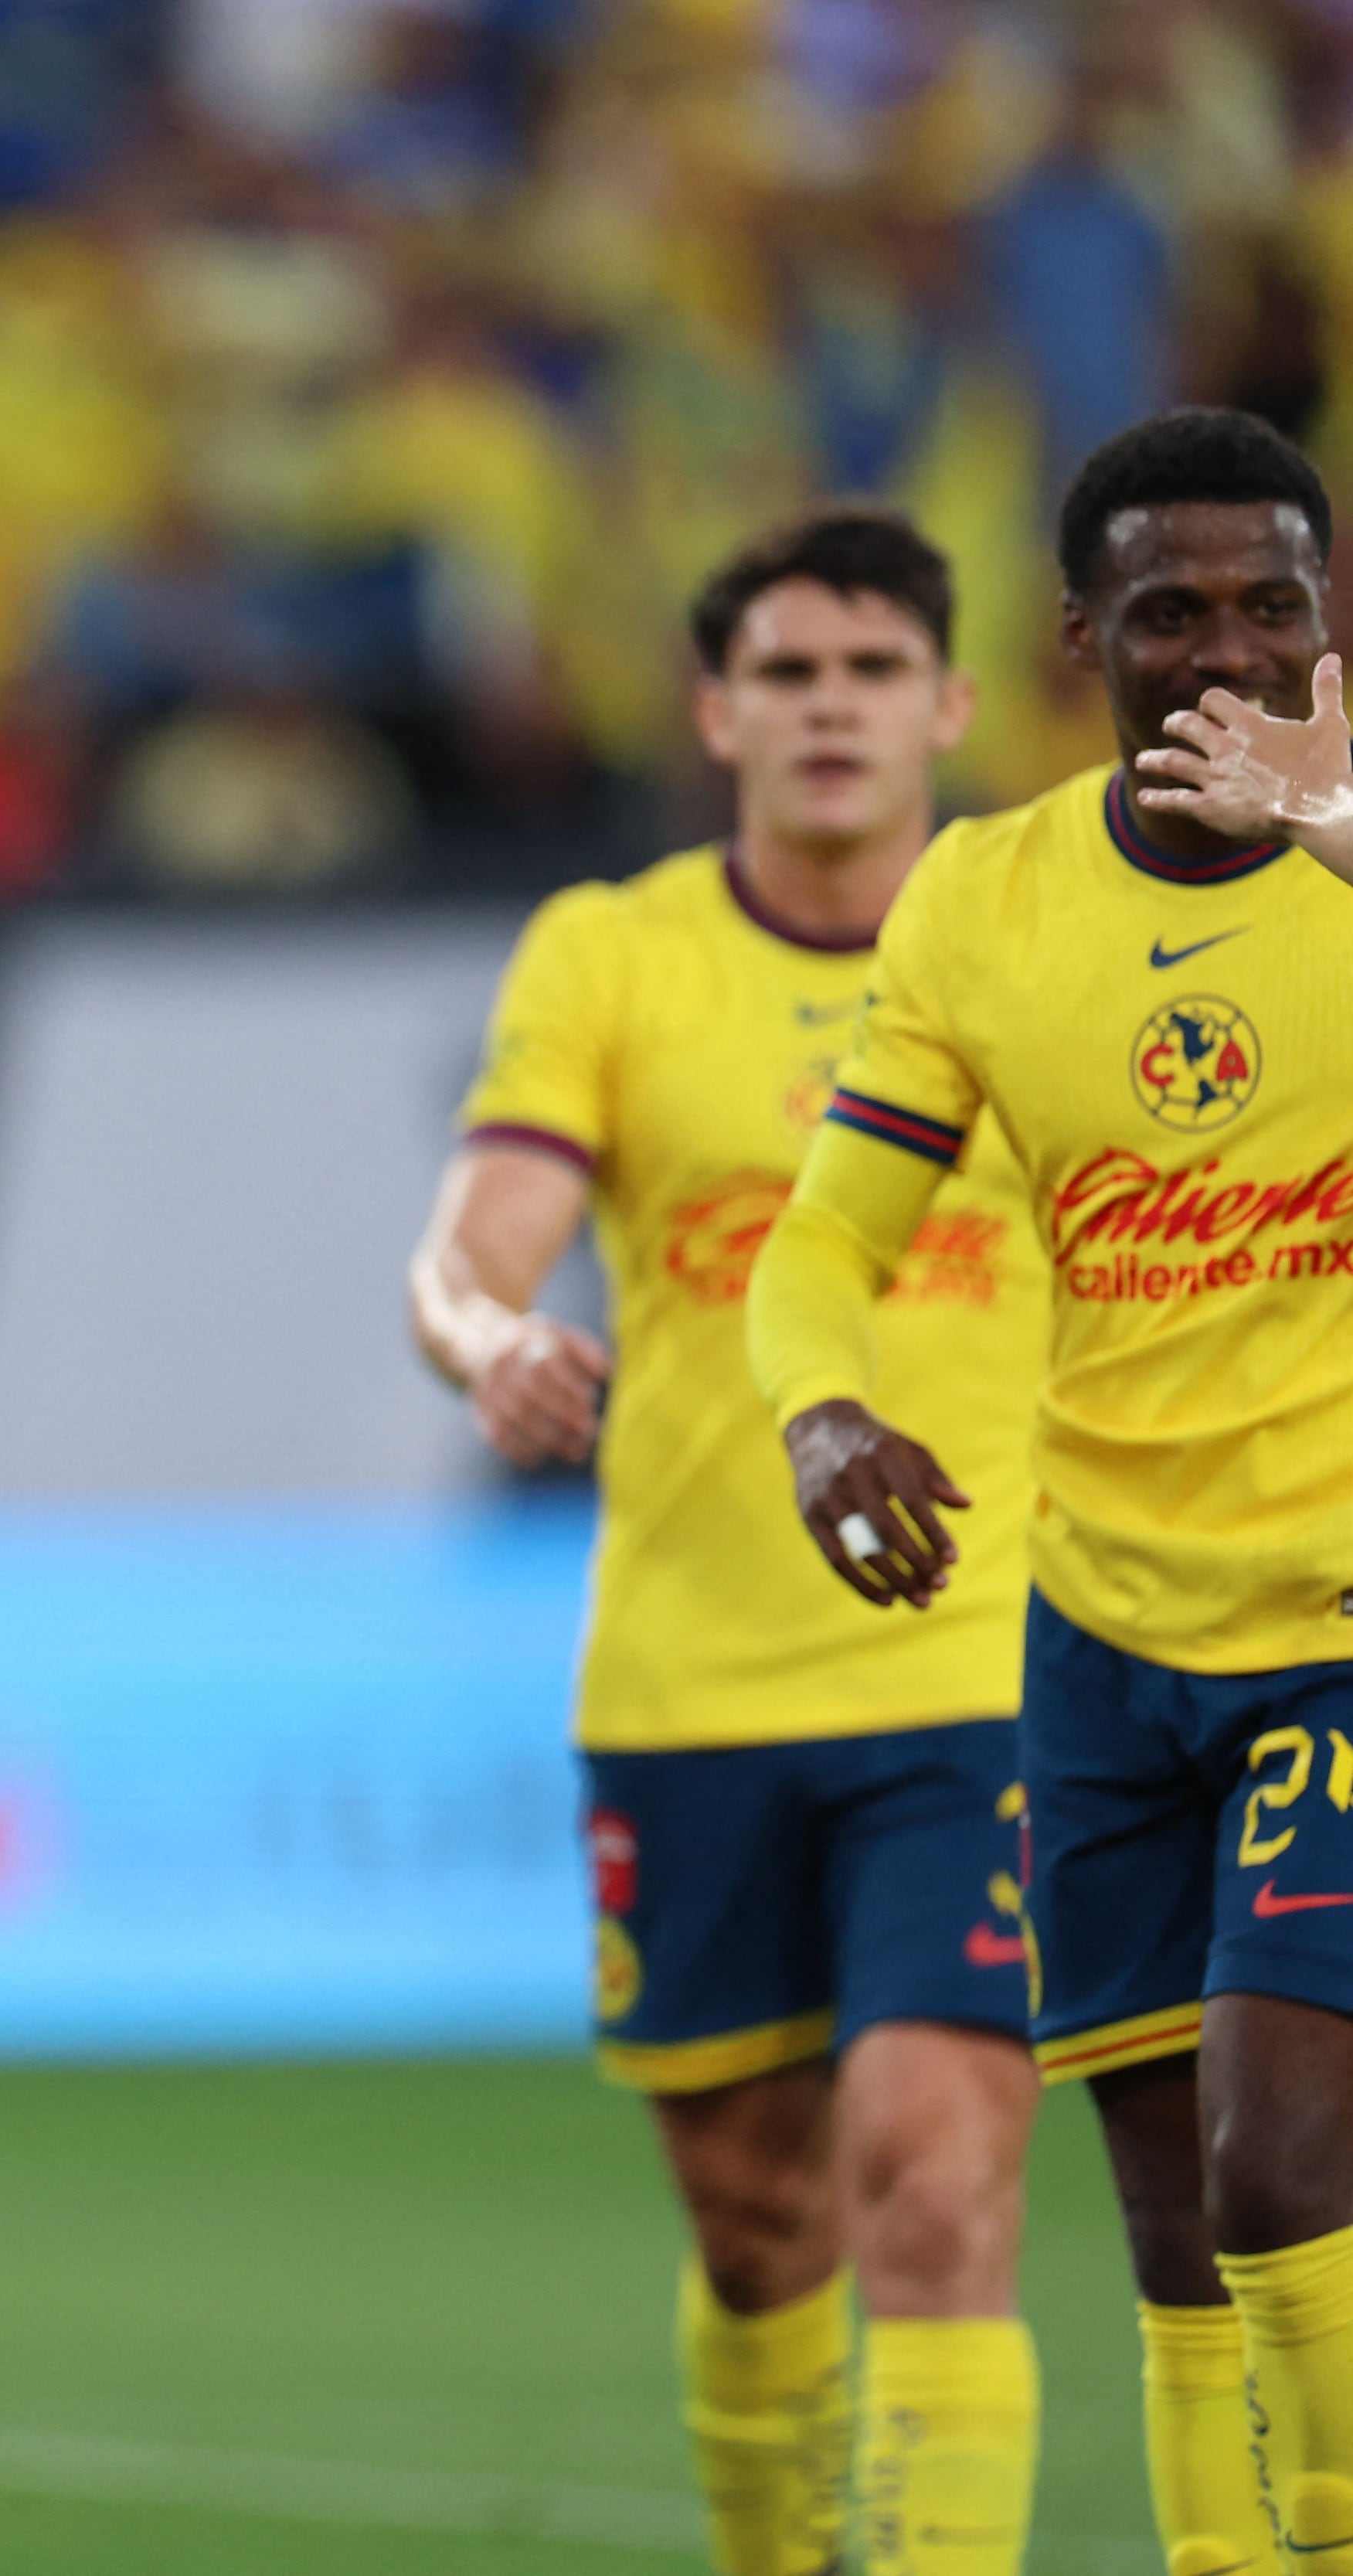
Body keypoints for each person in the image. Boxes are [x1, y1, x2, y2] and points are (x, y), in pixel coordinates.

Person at [411, 507, 1047, 2576]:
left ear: (950, 705)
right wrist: (493, 1337)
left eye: (873, 670)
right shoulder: (613, 951)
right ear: (715, 713)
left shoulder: (1039, 939)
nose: (832, 709)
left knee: (935, 2182)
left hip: (991, 1673)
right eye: (788, 673)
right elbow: (478, 1243)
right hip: (690, 1677)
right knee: (759, 2221)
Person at [751, 406, 1353, 2576]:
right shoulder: (989, 902)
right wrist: (822, 1411)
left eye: (1271, 607)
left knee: (1290, 2156)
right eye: (1171, 610)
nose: (1224, 652)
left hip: (1338, 1619)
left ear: (1326, 621)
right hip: (1105, 1626)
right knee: (1177, 2216)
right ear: (1081, 632)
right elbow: (826, 1241)